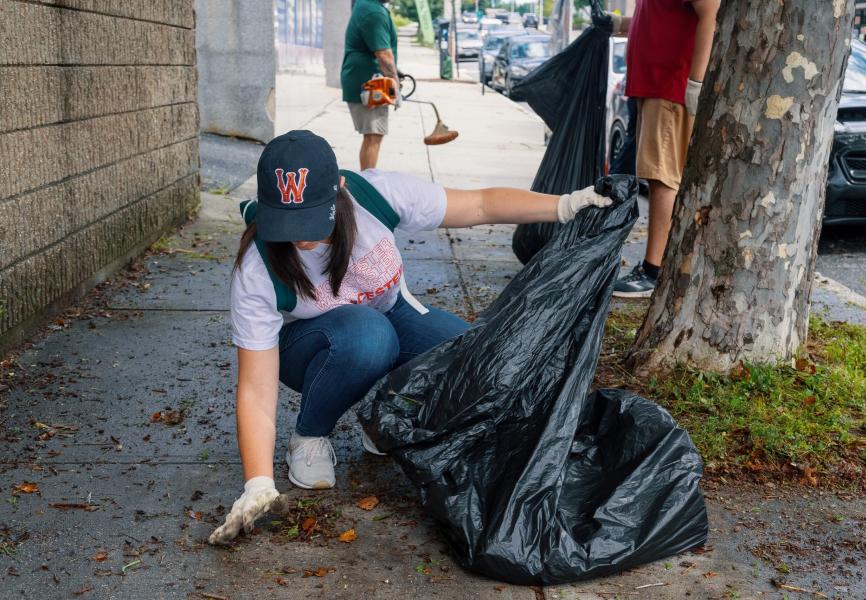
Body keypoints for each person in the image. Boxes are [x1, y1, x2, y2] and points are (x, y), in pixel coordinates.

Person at [207, 130, 616, 544]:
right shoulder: (256, 267)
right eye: (286, 223)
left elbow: (478, 204)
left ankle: (383, 417)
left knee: (473, 358)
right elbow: (257, 389)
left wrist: (566, 205)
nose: (301, 237)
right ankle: (311, 434)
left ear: (340, 190)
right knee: (369, 336)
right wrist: (257, 481)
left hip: (390, 314)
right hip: (314, 348)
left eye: (312, 218)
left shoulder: (374, 196)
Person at [607, 1, 720, 298]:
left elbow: (710, 12)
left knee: (662, 177)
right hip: (653, 83)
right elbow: (658, 18)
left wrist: (695, 81)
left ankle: (652, 271)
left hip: (670, 85)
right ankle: (660, 265)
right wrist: (618, 24)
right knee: (659, 175)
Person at [341, 0, 400, 171]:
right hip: (371, 86)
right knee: (373, 136)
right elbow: (383, 54)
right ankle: (367, 185)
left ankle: (367, 180)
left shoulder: (365, 5)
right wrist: (394, 82)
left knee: (372, 136)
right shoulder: (374, 13)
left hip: (365, 80)